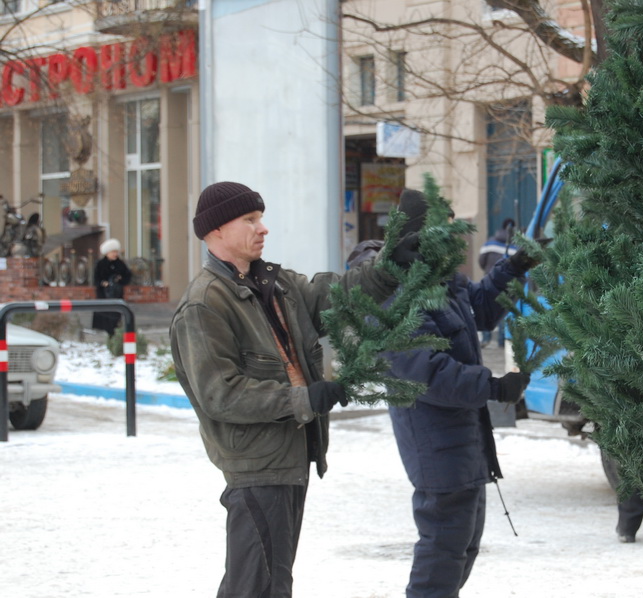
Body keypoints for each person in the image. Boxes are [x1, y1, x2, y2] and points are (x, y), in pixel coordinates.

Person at [169, 181, 419, 597]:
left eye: (261, 218)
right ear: (216, 230)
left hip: (289, 457)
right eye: (249, 219)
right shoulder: (205, 303)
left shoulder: (276, 284)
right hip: (257, 465)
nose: (262, 228)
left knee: (267, 582)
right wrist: (304, 398)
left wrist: (387, 268)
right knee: (257, 586)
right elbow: (221, 394)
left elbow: (337, 297)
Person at [383, 189, 539, 598]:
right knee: (443, 551)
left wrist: (514, 266)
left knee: (462, 548)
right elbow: (427, 372)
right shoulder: (401, 295)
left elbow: (481, 308)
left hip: (465, 439)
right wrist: (493, 386)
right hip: (435, 442)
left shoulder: (445, 283)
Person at [477, 218, 517, 348]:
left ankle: (485, 339)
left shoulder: (490, 243)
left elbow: (481, 260)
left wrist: (488, 271)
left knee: (485, 308)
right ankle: (501, 340)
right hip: (507, 283)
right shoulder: (515, 247)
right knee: (502, 310)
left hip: (489, 279)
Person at [91, 238, 132, 336]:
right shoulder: (101, 264)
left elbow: (127, 275)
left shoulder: (120, 264)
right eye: (113, 252)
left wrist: (120, 280)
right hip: (104, 294)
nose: (115, 254)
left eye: (116, 252)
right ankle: (107, 333)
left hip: (116, 294)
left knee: (115, 315)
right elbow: (96, 279)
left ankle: (114, 333)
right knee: (105, 314)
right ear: (107, 252)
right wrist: (103, 283)